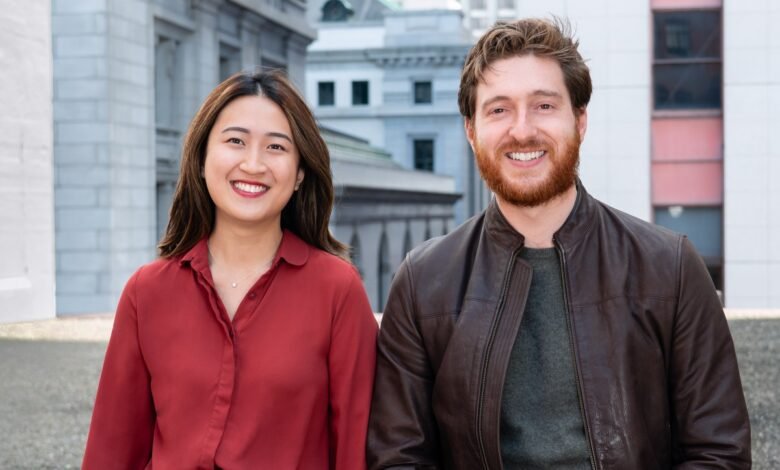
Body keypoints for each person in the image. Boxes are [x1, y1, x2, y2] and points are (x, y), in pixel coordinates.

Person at [367, 18, 750, 469]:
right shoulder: (422, 282)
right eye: (498, 110)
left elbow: (719, 452)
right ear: (471, 131)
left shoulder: (669, 267)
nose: (522, 130)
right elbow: (399, 459)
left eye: (544, 106)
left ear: (580, 120)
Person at [83, 70, 377, 469]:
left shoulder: (337, 290)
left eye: (276, 147)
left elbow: (355, 450)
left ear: (300, 174)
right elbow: (112, 450)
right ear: (202, 160)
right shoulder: (147, 292)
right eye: (235, 141)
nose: (253, 164)